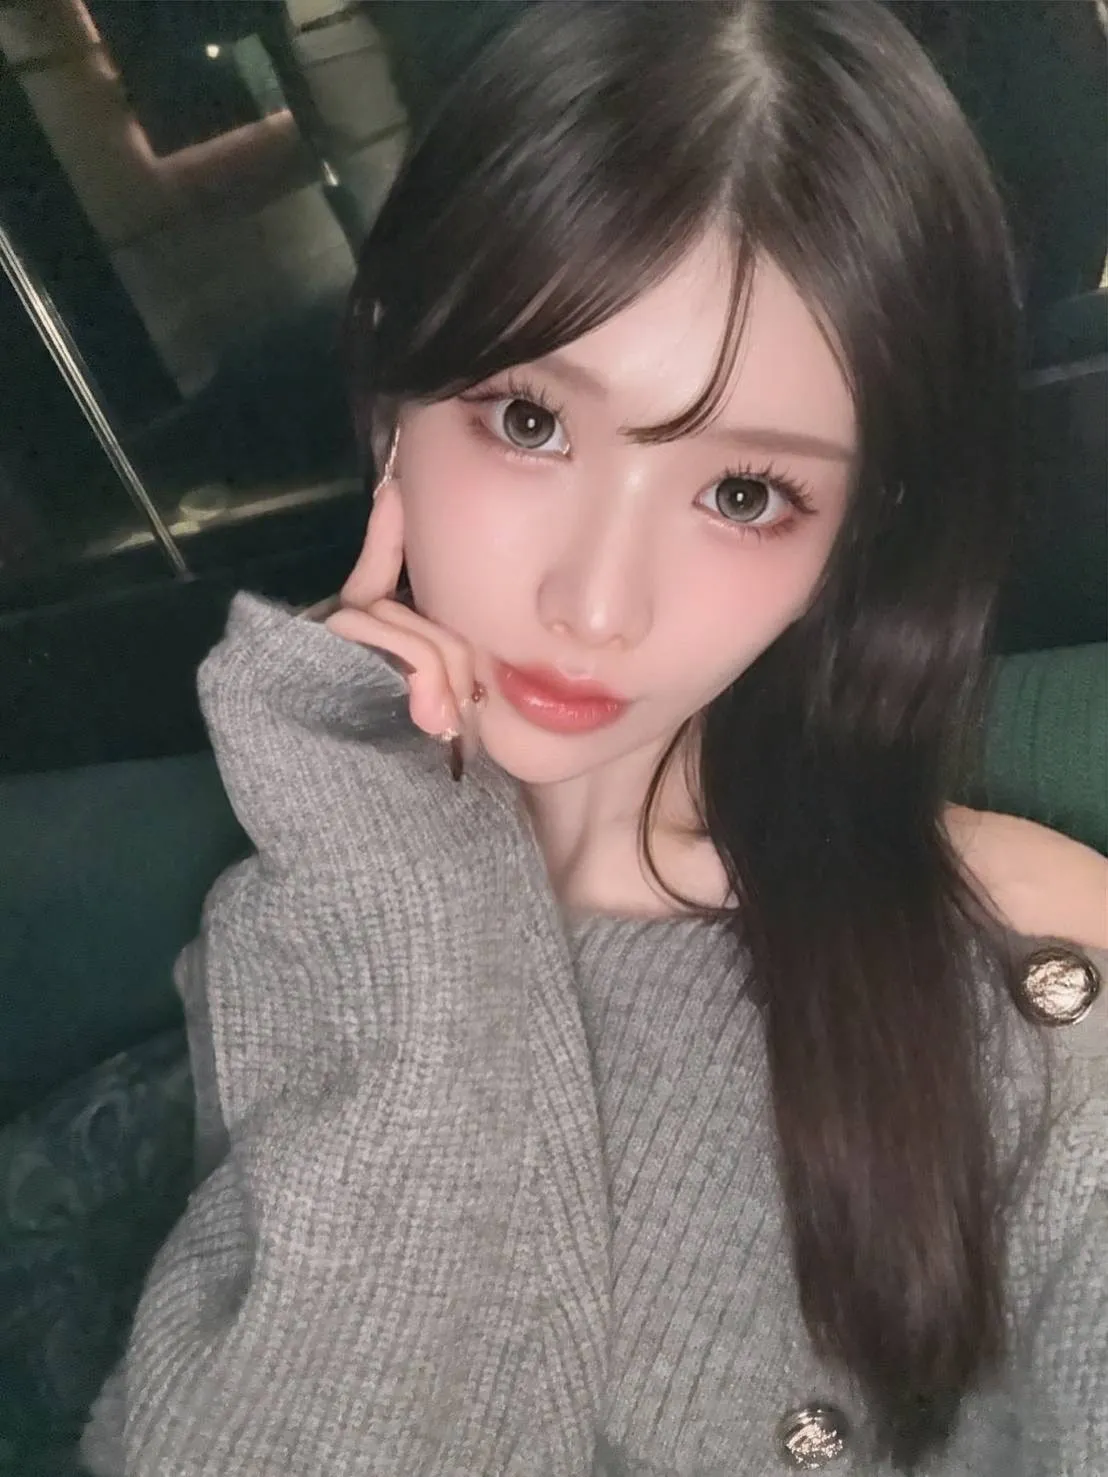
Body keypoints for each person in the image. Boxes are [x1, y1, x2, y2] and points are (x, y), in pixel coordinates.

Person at [81, 3, 1107, 1474]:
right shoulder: (324, 896)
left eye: (745, 495)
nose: (597, 604)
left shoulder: (1021, 957)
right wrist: (407, 879)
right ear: (395, 401)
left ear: (853, 536)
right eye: (528, 421)